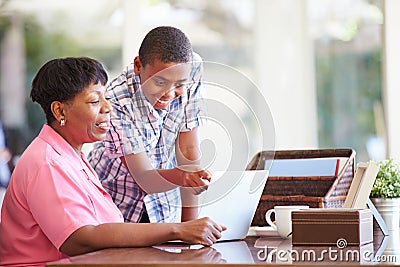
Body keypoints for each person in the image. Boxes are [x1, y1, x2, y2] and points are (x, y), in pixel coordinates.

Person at [0, 57, 225, 266]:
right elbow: (81, 238)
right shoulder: (47, 162)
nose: (108, 108)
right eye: (95, 101)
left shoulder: (71, 156)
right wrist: (177, 230)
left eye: (105, 98)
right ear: (59, 110)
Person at [88, 26, 210, 223]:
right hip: (116, 207)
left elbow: (188, 150)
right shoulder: (116, 102)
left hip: (162, 208)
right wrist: (182, 177)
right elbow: (145, 179)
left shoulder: (191, 66)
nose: (169, 94)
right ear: (138, 65)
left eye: (179, 85)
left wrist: (189, 230)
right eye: (160, 82)